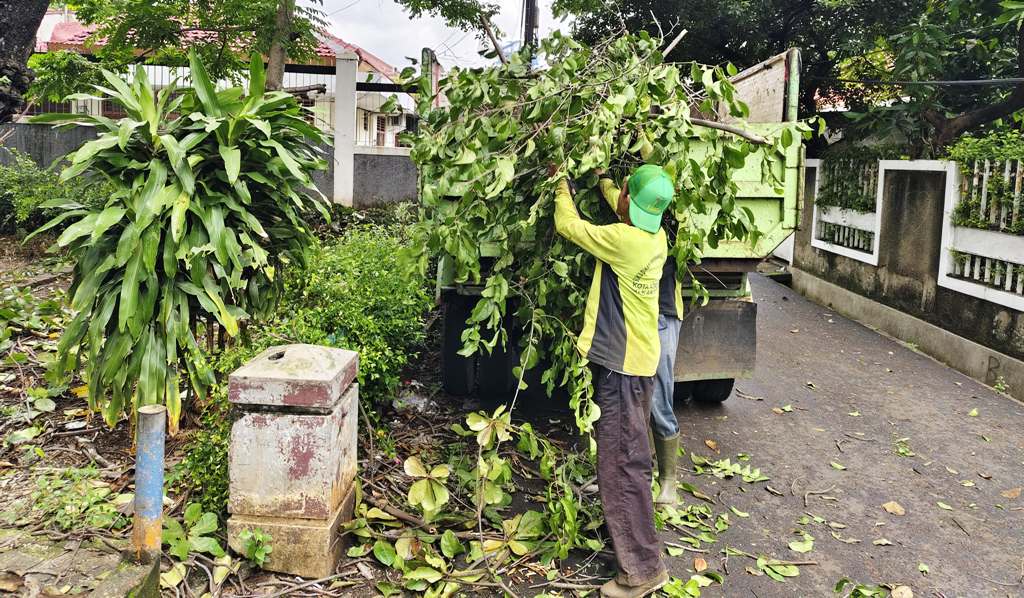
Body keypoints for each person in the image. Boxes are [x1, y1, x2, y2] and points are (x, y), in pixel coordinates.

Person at [552, 164, 675, 598]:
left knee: (622, 467)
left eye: (622, 192)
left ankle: (641, 571)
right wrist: (605, 179)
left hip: (622, 369)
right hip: (641, 363)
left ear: (629, 201)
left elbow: (568, 224)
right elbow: (622, 204)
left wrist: (561, 183)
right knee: (631, 460)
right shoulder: (654, 237)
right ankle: (637, 553)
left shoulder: (622, 242)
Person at [595, 173, 684, 506]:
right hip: (636, 322)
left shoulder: (670, 224)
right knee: (631, 405)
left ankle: (669, 481)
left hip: (662, 316)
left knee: (659, 397)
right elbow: (620, 199)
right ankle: (632, 479)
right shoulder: (636, 217)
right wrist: (603, 178)